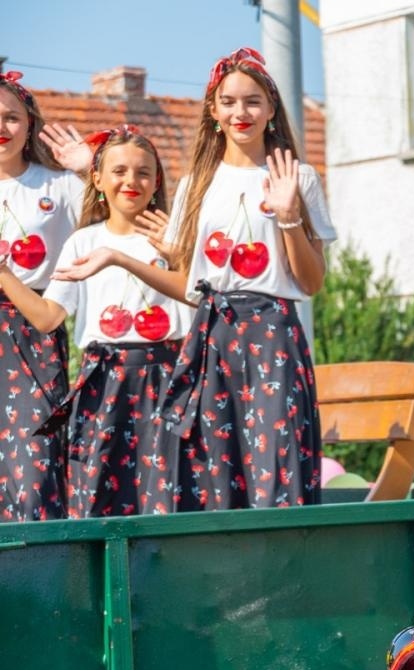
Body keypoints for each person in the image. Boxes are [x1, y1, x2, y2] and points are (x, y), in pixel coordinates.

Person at [151, 47, 334, 510]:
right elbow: (188, 285)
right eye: (229, 101)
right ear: (213, 112)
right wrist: (122, 259)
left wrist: (289, 216)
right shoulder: (195, 184)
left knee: (278, 458)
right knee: (212, 460)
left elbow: (312, 282)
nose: (241, 112)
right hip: (212, 333)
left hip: (273, 331)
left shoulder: (299, 176)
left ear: (271, 110)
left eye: (253, 101)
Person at [0, 126, 193, 517]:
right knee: (97, 496)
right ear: (98, 180)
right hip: (103, 381)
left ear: (157, 181)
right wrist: (4, 274)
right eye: (118, 171)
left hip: (165, 376)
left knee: (165, 495)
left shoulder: (176, 236)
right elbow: (48, 317)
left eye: (143, 172)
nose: (131, 181)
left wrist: (169, 253)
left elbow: (198, 295)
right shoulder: (82, 241)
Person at [0, 70, 87, 521]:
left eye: (11, 117)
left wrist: (89, 168)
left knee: (34, 460)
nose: (2, 127)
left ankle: (41, 558)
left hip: (33, 327)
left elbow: (118, 214)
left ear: (30, 123)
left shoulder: (59, 184)